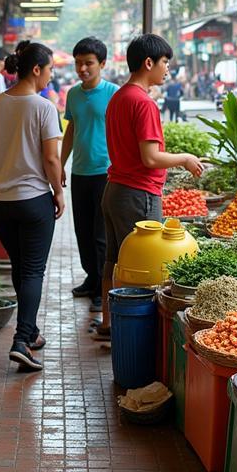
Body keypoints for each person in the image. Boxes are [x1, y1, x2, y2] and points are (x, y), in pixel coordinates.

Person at [93, 35, 204, 341]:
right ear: (148, 63)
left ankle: (109, 321)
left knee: (114, 261)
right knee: (142, 267)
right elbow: (151, 157)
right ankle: (137, 336)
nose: (168, 69)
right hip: (137, 194)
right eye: (165, 62)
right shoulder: (143, 102)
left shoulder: (119, 97)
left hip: (115, 190)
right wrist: (185, 158)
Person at [0, 43, 64, 372]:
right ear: (37, 70)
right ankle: (22, 340)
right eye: (51, 69)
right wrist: (57, 192)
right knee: (32, 271)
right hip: (33, 201)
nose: (52, 75)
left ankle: (33, 332)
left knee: (20, 266)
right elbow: (51, 158)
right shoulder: (43, 108)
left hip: (0, 202)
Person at [61, 37, 118, 313]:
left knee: (100, 234)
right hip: (80, 171)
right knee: (82, 230)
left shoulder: (114, 93)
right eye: (78, 63)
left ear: (102, 64)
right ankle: (91, 277)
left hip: (105, 172)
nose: (82, 68)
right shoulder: (73, 94)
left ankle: (100, 289)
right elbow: (71, 129)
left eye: (88, 63)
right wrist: (60, 164)